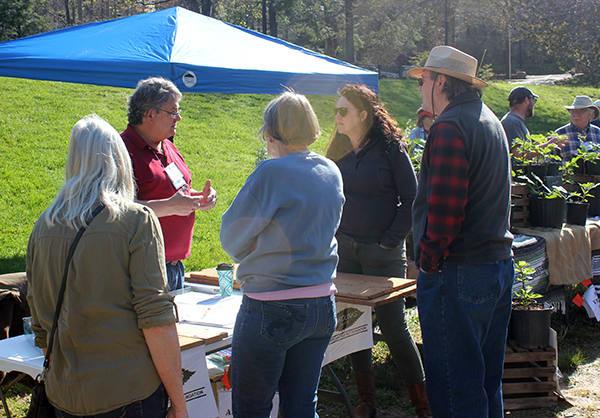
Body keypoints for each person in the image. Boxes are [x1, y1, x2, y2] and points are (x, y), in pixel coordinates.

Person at [26, 115, 187, 418]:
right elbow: (156, 318)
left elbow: (40, 319)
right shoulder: (136, 219)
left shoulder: (43, 226)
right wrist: (179, 402)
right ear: (119, 159)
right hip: (127, 391)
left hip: (66, 392)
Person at [220, 92, 345, 418]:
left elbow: (231, 239)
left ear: (271, 134)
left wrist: (255, 250)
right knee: (302, 405)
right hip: (321, 303)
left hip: (271, 306)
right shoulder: (331, 170)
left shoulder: (271, 173)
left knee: (252, 408)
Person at [408, 46, 514, 418]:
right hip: (495, 265)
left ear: (440, 82)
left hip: (461, 270)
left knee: (456, 390)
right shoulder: (488, 119)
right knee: (484, 384)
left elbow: (445, 212)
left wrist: (429, 263)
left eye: (423, 81)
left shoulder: (451, 126)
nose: (420, 89)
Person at [325, 84, 430, 418]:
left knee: (393, 325)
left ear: (363, 115)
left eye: (344, 111)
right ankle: (366, 400)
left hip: (382, 253)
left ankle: (423, 404)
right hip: (346, 250)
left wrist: (390, 239)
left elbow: (411, 198)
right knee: (355, 323)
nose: (338, 116)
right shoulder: (338, 147)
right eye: (337, 110)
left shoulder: (391, 149)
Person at [121, 77, 217, 291]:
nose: (179, 118)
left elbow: (172, 190)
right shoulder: (121, 150)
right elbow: (117, 209)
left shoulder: (167, 145)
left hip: (174, 267)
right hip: (142, 269)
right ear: (150, 114)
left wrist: (198, 197)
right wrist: (171, 206)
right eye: (173, 112)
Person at [552, 95, 600, 161]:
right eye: (573, 111)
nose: (576, 115)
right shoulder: (560, 133)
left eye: (580, 111)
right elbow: (550, 163)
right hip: (567, 171)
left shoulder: (598, 132)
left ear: (590, 114)